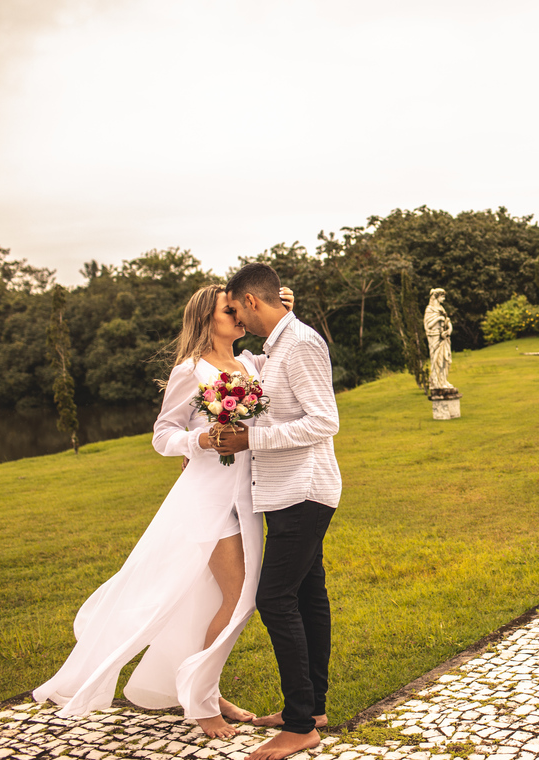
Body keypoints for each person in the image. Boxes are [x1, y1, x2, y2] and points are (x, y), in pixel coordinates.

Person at [34, 284, 293, 738]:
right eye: (227, 309)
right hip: (207, 498)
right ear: (206, 319)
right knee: (241, 599)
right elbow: (162, 435)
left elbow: (288, 360)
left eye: (238, 307)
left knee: (215, 600)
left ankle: (201, 688)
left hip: (248, 498)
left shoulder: (252, 364)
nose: (237, 314)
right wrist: (201, 439)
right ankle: (201, 703)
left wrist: (283, 309)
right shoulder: (190, 371)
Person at [215, 263, 340, 760]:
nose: (236, 320)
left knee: (275, 598)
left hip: (304, 491)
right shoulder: (278, 346)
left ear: (249, 301)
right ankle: (314, 708)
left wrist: (252, 437)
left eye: (235, 309)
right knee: (309, 595)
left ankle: (299, 724)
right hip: (287, 491)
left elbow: (324, 421)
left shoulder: (301, 343)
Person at [424, 287, 453, 389]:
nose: (444, 299)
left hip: (444, 337)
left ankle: (443, 380)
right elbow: (428, 325)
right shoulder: (429, 310)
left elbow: (447, 321)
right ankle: (436, 381)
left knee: (446, 359)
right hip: (435, 337)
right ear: (436, 297)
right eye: (442, 296)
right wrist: (439, 318)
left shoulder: (441, 308)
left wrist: (449, 329)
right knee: (437, 360)